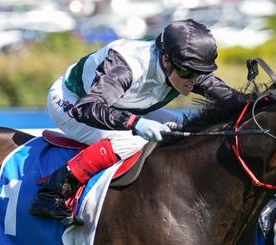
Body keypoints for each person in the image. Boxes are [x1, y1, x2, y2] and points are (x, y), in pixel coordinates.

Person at [30, 19, 249, 221]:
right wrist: (134, 123)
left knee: (181, 128)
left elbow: (230, 98)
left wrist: (263, 102)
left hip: (121, 104)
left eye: (199, 73)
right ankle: (54, 190)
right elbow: (88, 108)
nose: (193, 80)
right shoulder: (125, 66)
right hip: (73, 103)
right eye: (187, 73)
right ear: (165, 60)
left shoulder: (183, 64)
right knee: (130, 141)